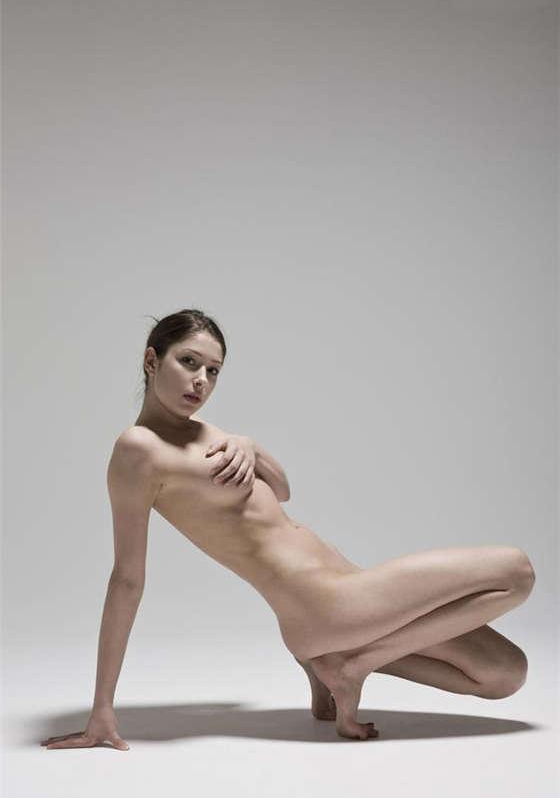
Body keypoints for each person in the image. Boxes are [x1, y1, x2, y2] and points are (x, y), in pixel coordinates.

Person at [41, 308, 536, 749]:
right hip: (325, 605)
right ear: (152, 361)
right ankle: (353, 667)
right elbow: (127, 578)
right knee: (516, 572)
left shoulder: (206, 432)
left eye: (213, 370)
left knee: (504, 673)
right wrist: (102, 709)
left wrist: (250, 445)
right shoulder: (139, 449)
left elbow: (281, 491)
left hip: (349, 593)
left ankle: (337, 663)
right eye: (188, 362)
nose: (201, 381)